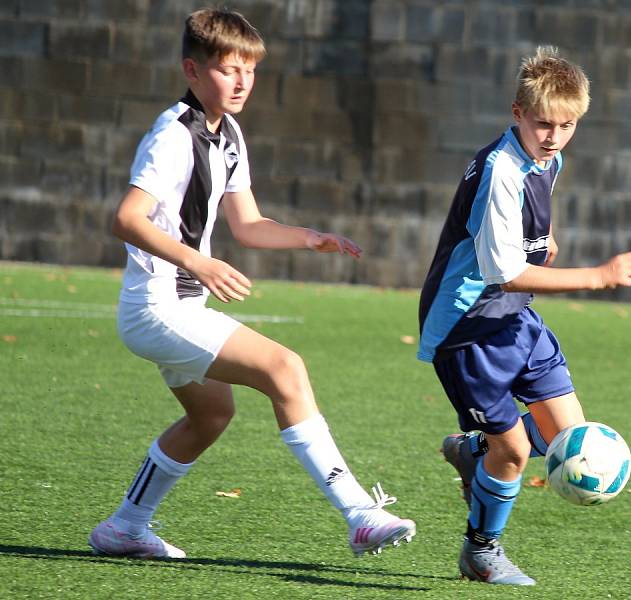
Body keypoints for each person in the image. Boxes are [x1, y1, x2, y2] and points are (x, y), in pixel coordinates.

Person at [88, 8, 415, 560]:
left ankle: (123, 527)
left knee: (212, 415)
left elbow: (247, 224)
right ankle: (360, 513)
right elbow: (126, 218)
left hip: (179, 306)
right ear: (192, 70)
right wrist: (198, 262)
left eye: (251, 70)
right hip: (158, 306)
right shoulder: (173, 136)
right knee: (285, 368)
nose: (241, 82)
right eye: (226, 69)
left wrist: (308, 237)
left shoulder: (229, 131)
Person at [417, 46, 631, 585]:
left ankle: (477, 451)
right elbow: (505, 273)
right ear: (516, 112)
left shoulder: (549, 157)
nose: (554, 136)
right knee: (517, 452)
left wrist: (545, 241)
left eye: (567, 125)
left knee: (565, 436)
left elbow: (533, 220)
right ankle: (481, 549)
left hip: (516, 318)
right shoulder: (500, 171)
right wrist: (597, 275)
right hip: (468, 327)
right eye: (543, 123)